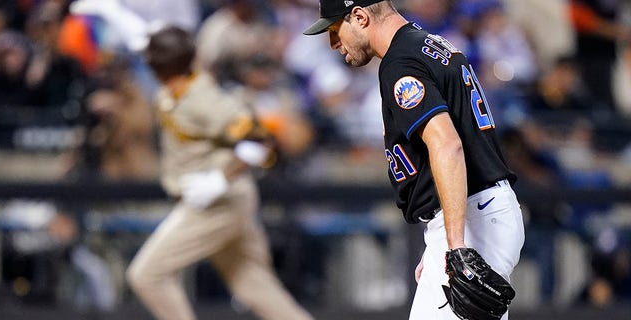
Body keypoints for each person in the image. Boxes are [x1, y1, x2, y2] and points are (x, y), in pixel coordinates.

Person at [303, 1, 525, 319]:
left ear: (360, 17)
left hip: (474, 220)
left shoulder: (401, 61)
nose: (334, 43)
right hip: (477, 213)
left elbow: (447, 145)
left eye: (335, 29)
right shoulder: (429, 44)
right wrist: (442, 238)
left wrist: (456, 245)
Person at [125, 25, 314, 320]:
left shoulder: (204, 100)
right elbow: (156, 46)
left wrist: (219, 179)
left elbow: (261, 138)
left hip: (218, 202)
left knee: (146, 275)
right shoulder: (181, 78)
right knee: (253, 285)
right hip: (227, 201)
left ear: (156, 65)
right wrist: (117, 16)